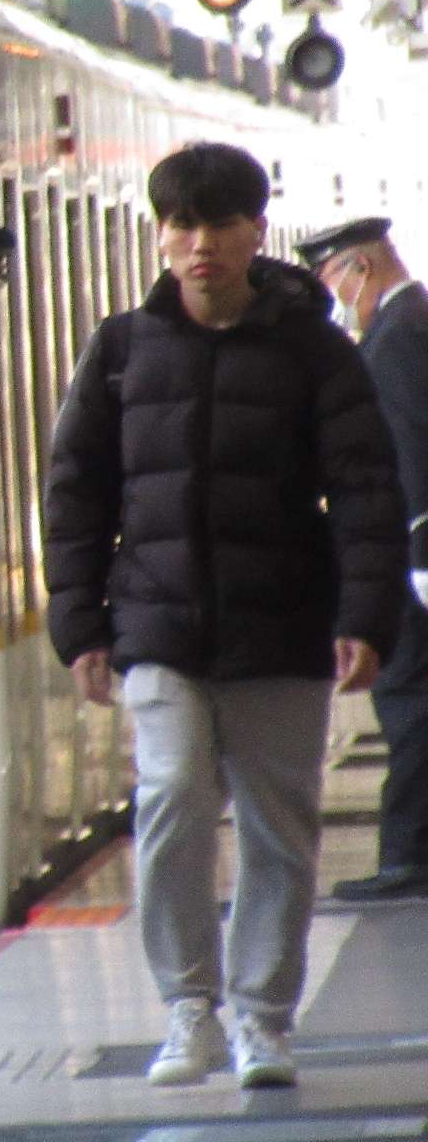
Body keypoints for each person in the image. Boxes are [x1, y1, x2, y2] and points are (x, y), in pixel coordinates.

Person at [43, 142, 402, 1091]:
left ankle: (263, 1020)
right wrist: (80, 626)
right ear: (161, 237)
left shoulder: (314, 351)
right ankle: (188, 1008)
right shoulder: (121, 349)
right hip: (157, 625)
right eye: (182, 225)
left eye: (220, 224)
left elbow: (365, 487)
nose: (200, 245)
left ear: (255, 232)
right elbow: (75, 492)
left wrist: (366, 613)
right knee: (169, 799)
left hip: (282, 624)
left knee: (281, 826)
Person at [298, 217, 428, 901]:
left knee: (408, 697)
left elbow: (409, 458)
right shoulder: (409, 325)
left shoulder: (398, 340)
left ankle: (408, 857)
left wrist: (415, 558)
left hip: (413, 559)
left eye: (331, 282)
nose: (334, 300)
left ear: (360, 269)